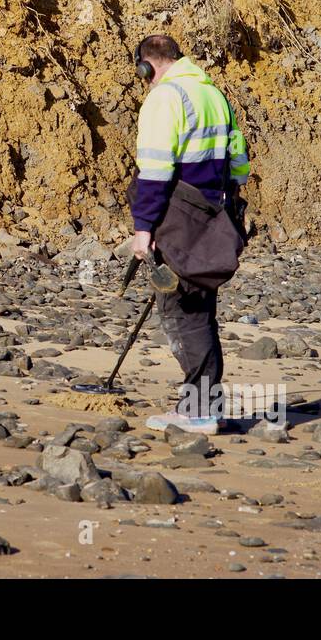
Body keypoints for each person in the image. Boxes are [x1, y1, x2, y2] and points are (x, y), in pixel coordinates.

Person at [128, 34, 250, 434]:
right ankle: (205, 405)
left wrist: (144, 228)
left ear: (147, 67)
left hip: (178, 218)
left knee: (183, 314)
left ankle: (198, 412)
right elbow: (239, 162)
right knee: (201, 310)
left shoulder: (165, 98)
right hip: (214, 215)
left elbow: (156, 171)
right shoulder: (213, 94)